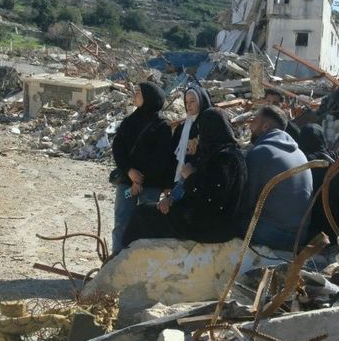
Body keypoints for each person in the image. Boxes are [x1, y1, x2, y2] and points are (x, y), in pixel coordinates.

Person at [123, 108, 246, 245]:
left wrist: (190, 177)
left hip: (211, 227)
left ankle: (123, 258)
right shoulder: (228, 153)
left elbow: (212, 194)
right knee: (148, 211)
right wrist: (173, 201)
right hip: (210, 221)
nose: (200, 136)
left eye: (202, 131)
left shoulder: (225, 158)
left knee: (143, 215)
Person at [110, 82, 175, 254]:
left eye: (139, 92)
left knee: (146, 224)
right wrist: (130, 173)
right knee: (122, 221)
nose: (135, 94)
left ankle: (139, 262)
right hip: (127, 182)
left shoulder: (162, 126)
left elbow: (161, 159)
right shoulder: (128, 122)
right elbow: (118, 149)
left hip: (151, 185)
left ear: (149, 98)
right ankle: (115, 262)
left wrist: (140, 180)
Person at [241, 105, 312, 250]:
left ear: (265, 126)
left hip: (272, 234)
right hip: (300, 235)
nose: (250, 126)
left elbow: (245, 200)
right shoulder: (300, 153)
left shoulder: (261, 152)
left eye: (254, 121)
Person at [171, 83, 212, 192]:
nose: (188, 105)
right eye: (186, 102)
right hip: (181, 178)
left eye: (192, 101)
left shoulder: (211, 125)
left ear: (201, 101)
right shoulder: (182, 128)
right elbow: (174, 154)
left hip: (201, 180)